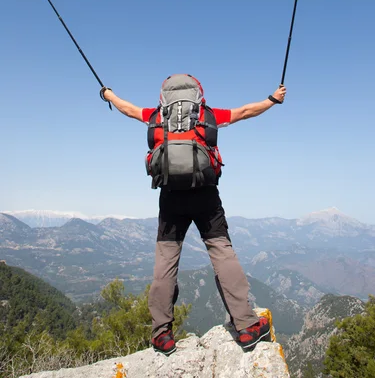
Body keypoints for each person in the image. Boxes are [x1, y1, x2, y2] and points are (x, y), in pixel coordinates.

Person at [101, 76, 286, 355]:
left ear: (165, 96)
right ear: (198, 94)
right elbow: (246, 112)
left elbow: (128, 109)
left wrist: (109, 95)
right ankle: (247, 326)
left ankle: (161, 335)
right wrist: (272, 99)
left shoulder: (155, 117)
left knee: (165, 262)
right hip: (205, 195)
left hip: (170, 197)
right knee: (221, 252)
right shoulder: (207, 116)